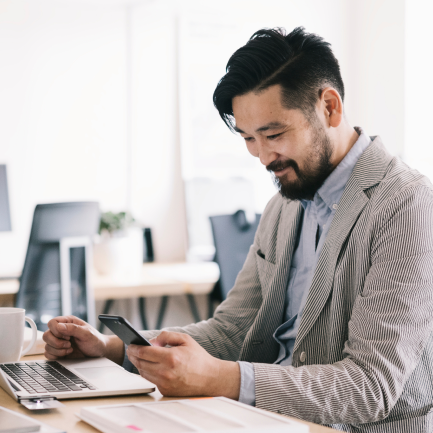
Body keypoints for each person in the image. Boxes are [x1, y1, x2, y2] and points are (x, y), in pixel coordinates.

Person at [43, 27, 433, 432]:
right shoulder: (283, 206)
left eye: (274, 134)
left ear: (329, 107)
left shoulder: (407, 205)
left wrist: (219, 378)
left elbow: (370, 387)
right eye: (249, 138)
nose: (264, 157)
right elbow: (232, 330)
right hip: (261, 420)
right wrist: (114, 348)